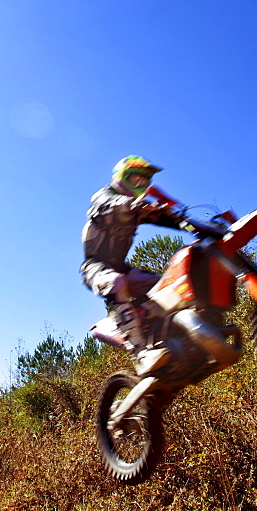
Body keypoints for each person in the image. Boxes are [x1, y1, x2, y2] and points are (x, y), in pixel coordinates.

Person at [81, 155, 184, 374]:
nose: (140, 185)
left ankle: (170, 336)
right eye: (135, 179)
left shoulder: (137, 207)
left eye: (144, 182)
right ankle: (140, 353)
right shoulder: (104, 197)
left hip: (121, 266)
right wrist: (133, 204)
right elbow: (107, 205)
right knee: (117, 282)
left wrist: (182, 220)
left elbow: (169, 220)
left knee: (165, 285)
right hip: (95, 267)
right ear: (121, 178)